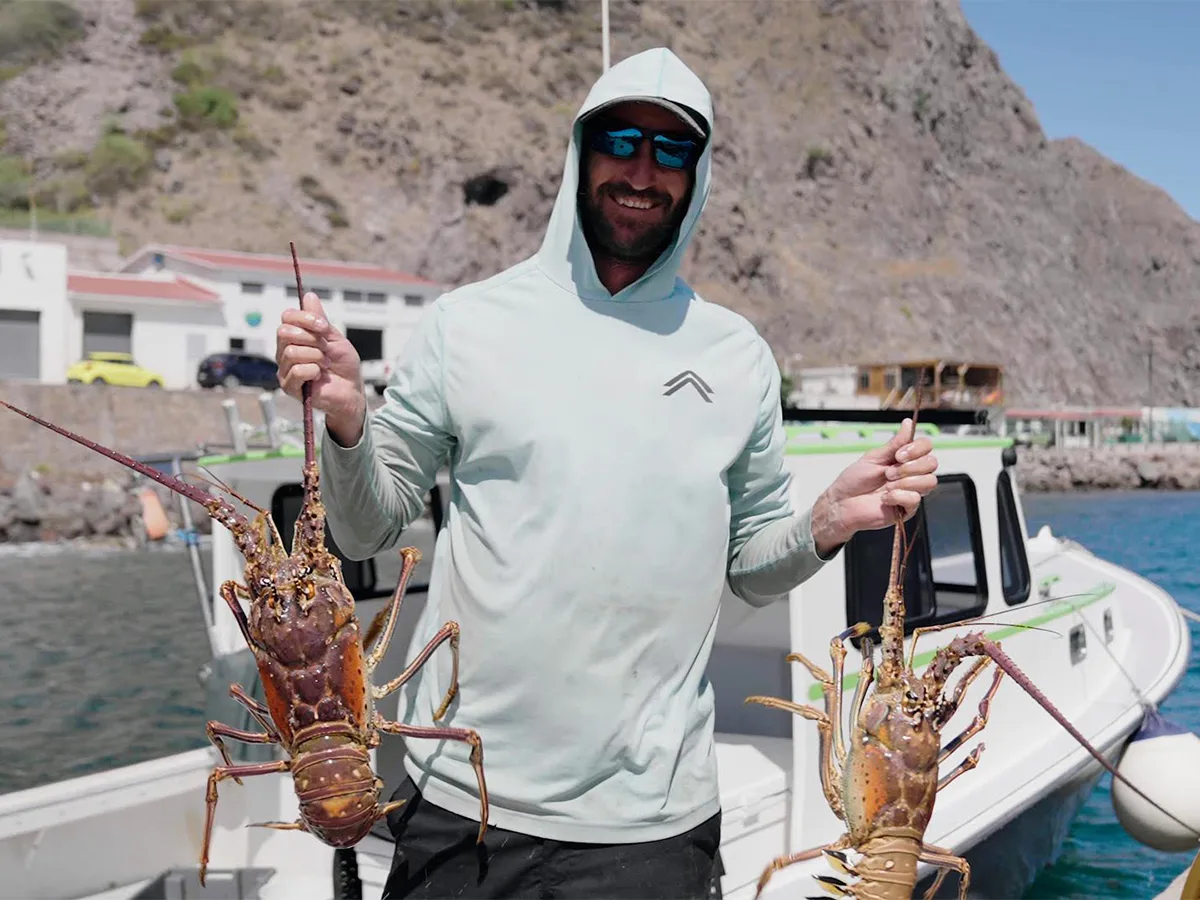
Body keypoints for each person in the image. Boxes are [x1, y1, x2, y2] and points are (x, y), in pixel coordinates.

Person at [275, 47, 938, 900]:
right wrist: (346, 420)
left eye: (672, 151)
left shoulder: (737, 356)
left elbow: (751, 570)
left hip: (651, 831)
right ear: (580, 153)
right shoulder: (466, 324)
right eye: (621, 139)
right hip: (458, 803)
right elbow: (366, 527)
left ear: (695, 178)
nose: (642, 170)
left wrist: (827, 523)